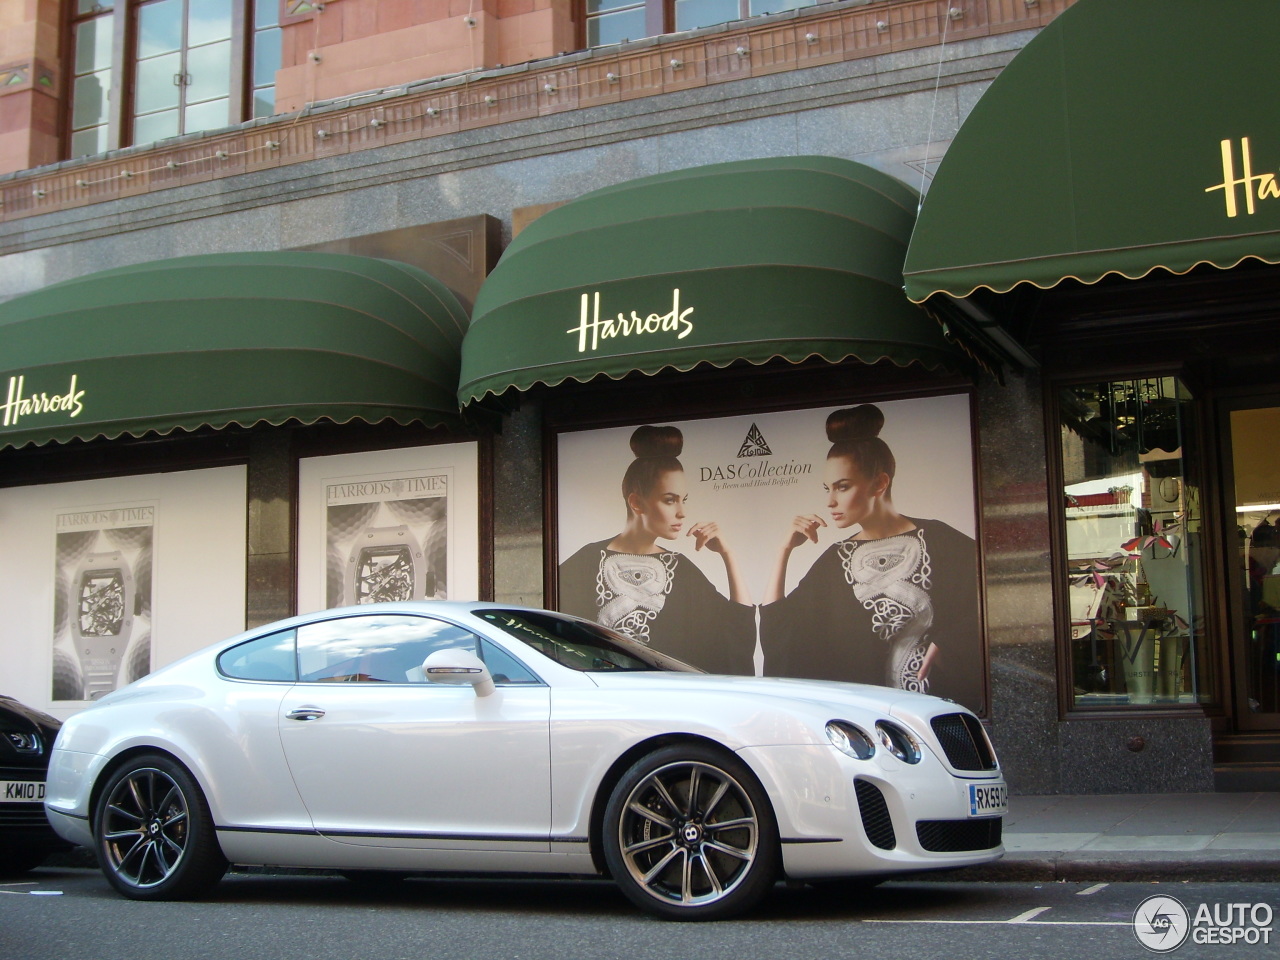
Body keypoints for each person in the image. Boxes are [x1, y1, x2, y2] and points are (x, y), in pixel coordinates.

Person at [759, 404, 982, 708]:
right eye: (828, 488)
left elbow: (996, 598)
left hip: (943, 708)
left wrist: (951, 643)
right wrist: (783, 552)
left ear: (880, 483)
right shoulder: (836, 561)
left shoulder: (940, 541)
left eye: (843, 486)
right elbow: (783, 634)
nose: (830, 501)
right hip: (870, 718)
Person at [558, 425, 756, 675]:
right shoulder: (585, 562)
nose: (682, 512)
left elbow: (737, 636)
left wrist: (729, 556)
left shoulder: (681, 570)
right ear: (636, 502)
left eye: (684, 499)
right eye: (670, 500)